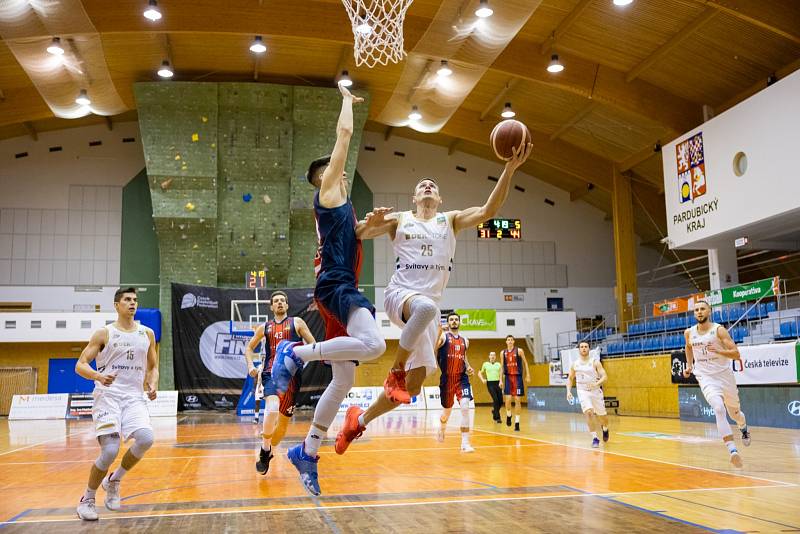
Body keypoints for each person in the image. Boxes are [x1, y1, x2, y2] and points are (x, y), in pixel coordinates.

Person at [334, 140, 532, 453]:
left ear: (439, 199)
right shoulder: (400, 219)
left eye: (432, 185)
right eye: (422, 185)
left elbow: (488, 211)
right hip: (400, 296)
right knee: (425, 308)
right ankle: (395, 369)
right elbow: (357, 234)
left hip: (426, 312)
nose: (427, 186)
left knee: (411, 389)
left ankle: (358, 422)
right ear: (414, 198)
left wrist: (509, 168)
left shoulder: (450, 220)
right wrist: (366, 224)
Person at [270, 84, 387, 496]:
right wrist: (345, 101)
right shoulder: (328, 191)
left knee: (342, 383)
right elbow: (345, 137)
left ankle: (307, 450)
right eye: (329, 168)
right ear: (321, 178)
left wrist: (370, 226)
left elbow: (357, 234)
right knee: (374, 345)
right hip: (338, 286)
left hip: (335, 285)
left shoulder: (343, 208)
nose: (336, 168)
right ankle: (297, 352)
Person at [74, 287, 158, 521]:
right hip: (107, 396)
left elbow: (153, 367)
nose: (133, 303)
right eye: (127, 300)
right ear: (116, 305)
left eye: (135, 300)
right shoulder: (104, 333)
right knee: (110, 450)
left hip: (133, 397)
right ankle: (87, 500)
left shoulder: (147, 333)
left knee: (146, 438)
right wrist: (98, 376)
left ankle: (114, 480)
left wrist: (153, 385)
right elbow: (80, 365)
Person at [244, 290, 315, 476]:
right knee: (273, 407)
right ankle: (265, 447)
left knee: (282, 427)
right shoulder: (264, 327)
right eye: (276, 301)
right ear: (271, 306)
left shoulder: (297, 323)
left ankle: (268, 451)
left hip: (292, 376)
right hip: (271, 372)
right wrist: (251, 365)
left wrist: (300, 356)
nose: (280, 303)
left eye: (282, 300)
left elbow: (313, 344)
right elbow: (249, 348)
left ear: (287, 305)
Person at [683, 300, 751, 467]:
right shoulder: (689, 332)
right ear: (694, 313)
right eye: (696, 309)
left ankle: (743, 427)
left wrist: (719, 350)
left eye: (702, 309)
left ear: (709, 311)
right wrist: (690, 366)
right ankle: (733, 450)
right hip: (705, 377)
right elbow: (688, 347)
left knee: (735, 414)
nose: (699, 312)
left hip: (724, 376)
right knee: (718, 408)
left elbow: (736, 354)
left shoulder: (718, 330)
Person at [435, 313, 475, 452]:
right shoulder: (443, 337)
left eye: (456, 319)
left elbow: (464, 356)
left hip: (461, 378)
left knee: (465, 407)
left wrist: (468, 366)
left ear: (459, 322)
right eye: (451, 319)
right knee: (446, 412)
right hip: (447, 379)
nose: (454, 321)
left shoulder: (465, 340)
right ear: (448, 323)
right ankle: (442, 428)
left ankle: (465, 443)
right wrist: (439, 330)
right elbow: (434, 346)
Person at [566, 341, 609, 447]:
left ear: (589, 349)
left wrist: (596, 383)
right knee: (589, 412)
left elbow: (605, 376)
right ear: (579, 349)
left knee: (602, 416)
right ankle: (595, 438)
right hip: (582, 391)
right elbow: (570, 378)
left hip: (595, 391)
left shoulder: (595, 362)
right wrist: (568, 391)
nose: (584, 348)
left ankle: (605, 428)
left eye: (586, 347)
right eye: (581, 347)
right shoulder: (575, 364)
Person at [501, 335, 530, 431]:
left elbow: (525, 363)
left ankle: (517, 423)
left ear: (514, 341)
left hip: (517, 378)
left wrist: (527, 375)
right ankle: (509, 415)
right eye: (508, 340)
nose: (509, 341)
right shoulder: (503, 353)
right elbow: (502, 367)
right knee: (508, 400)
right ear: (506, 342)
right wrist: (500, 380)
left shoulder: (519, 351)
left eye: (511, 340)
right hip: (508, 378)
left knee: (517, 400)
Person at [479, 351, 503, 423]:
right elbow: (479, 372)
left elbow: (501, 373)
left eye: (494, 355)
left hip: (498, 383)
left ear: (495, 357)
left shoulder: (499, 364)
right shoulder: (485, 364)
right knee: (495, 399)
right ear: (489, 356)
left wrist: (501, 381)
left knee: (501, 401)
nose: (492, 356)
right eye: (491, 355)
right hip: (490, 384)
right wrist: (482, 379)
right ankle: (497, 417)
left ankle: (494, 411)